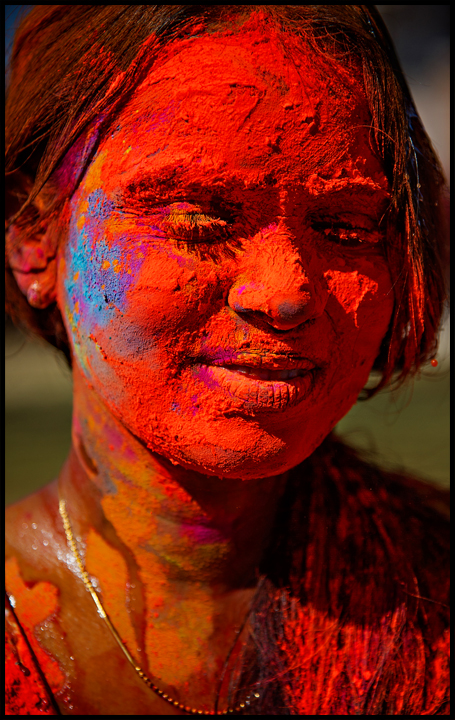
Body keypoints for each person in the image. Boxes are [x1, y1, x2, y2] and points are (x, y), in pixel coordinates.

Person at [5, 5, 449, 715]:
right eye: (199, 221)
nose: (286, 293)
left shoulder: (433, 588)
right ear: (34, 239)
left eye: (344, 227)